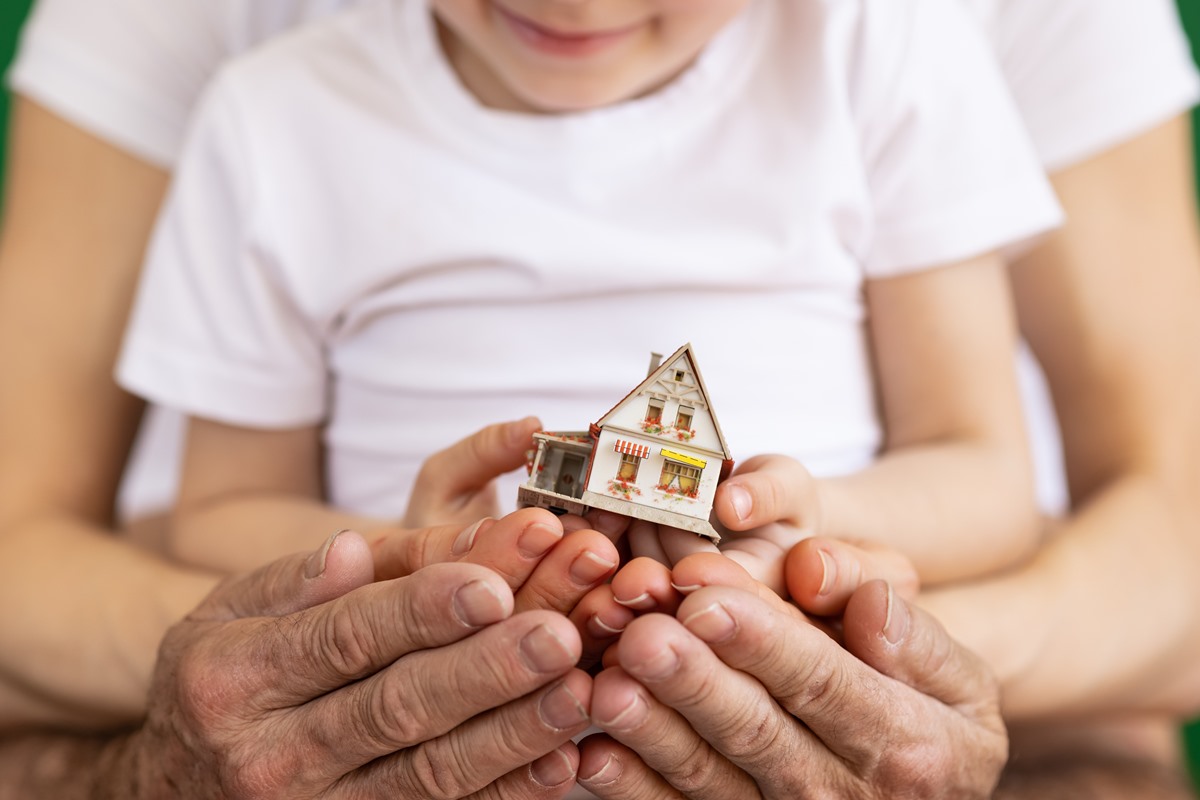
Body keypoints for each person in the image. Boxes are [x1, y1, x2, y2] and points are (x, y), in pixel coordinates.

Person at [0, 0, 1198, 797]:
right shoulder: (276, 115)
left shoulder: (888, 56)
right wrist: (405, 559)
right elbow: (224, 507)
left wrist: (807, 551)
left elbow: (982, 467)